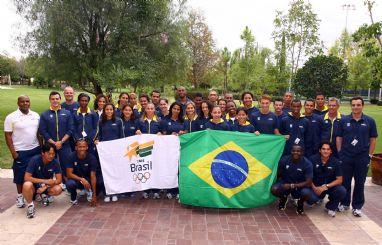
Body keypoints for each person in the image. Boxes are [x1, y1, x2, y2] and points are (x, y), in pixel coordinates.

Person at [336, 96, 378, 217]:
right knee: (345, 182)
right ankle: (344, 203)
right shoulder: (344, 120)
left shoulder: (370, 121)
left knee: (360, 182)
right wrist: (340, 153)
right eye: (353, 105)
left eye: (358, 105)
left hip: (362, 157)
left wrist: (369, 155)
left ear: (362, 106)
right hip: (346, 156)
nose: (355, 107)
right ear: (351, 106)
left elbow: (373, 139)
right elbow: (339, 137)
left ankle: (357, 206)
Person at [4, 95, 41, 208]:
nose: (25, 103)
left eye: (27, 101)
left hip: (35, 149)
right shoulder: (11, 117)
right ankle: (20, 196)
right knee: (20, 175)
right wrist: (14, 153)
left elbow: (38, 133)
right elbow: (8, 136)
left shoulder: (35, 115)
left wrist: (41, 147)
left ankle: (37, 193)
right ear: (18, 103)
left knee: (36, 173)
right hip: (21, 151)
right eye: (22, 102)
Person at [39, 91, 73, 186]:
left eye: (57, 99)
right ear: (50, 100)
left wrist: (61, 142)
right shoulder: (44, 114)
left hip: (64, 144)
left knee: (66, 165)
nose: (55, 101)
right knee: (49, 165)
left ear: (60, 99)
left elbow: (70, 129)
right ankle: (47, 186)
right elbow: (43, 131)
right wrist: (53, 143)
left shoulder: (67, 113)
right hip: (50, 145)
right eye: (53, 99)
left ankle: (66, 184)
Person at [22, 143, 63, 218]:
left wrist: (46, 186)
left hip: (45, 186)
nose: (51, 156)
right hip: (34, 186)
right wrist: (45, 181)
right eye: (49, 153)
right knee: (27, 185)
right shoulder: (34, 160)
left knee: (58, 189)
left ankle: (44, 195)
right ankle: (30, 205)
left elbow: (59, 180)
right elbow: (27, 177)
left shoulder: (55, 162)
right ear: (43, 153)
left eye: (53, 154)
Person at [271, 145, 313, 215]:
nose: (295, 153)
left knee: (307, 193)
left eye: (298, 151)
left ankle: (300, 203)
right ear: (291, 151)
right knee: (274, 189)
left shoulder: (307, 164)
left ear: (302, 152)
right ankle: (283, 198)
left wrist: (292, 185)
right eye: (293, 151)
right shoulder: (284, 160)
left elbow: (309, 182)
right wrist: (280, 185)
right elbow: (278, 175)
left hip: (300, 186)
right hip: (286, 184)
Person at [308, 142, 346, 217]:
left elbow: (339, 180)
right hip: (316, 187)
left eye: (328, 149)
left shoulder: (335, 161)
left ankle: (330, 207)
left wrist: (326, 186)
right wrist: (314, 188)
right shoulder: (312, 159)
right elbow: (308, 177)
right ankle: (316, 199)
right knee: (309, 197)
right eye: (323, 149)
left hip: (329, 187)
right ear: (320, 150)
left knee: (341, 190)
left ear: (331, 151)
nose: (326, 151)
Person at [95, 103, 123, 202]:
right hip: (105, 152)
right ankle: (107, 193)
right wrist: (97, 141)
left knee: (114, 172)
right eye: (107, 109)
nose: (109, 111)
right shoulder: (101, 121)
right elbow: (100, 136)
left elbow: (121, 137)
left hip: (115, 151)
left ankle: (115, 192)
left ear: (114, 110)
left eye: (111, 109)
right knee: (106, 172)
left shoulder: (119, 121)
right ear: (104, 110)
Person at [136, 103, 162, 199]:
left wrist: (161, 133)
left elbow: (163, 132)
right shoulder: (140, 121)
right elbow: (136, 131)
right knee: (145, 168)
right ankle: (145, 190)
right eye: (148, 108)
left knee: (155, 168)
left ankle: (156, 190)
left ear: (154, 109)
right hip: (144, 149)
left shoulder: (159, 121)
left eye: (152, 108)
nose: (150, 110)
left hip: (156, 149)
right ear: (145, 109)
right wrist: (137, 132)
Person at [160, 102, 185, 199]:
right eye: (174, 108)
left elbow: (186, 133)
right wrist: (170, 136)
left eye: (178, 109)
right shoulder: (165, 120)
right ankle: (170, 190)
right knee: (170, 169)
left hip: (180, 149)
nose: (176, 110)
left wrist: (183, 133)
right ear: (171, 109)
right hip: (168, 150)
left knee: (178, 169)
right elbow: (162, 134)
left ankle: (178, 190)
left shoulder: (182, 121)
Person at [66, 140, 98, 206]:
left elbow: (93, 176)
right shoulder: (71, 156)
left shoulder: (92, 158)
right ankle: (73, 197)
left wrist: (95, 195)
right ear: (76, 148)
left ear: (87, 147)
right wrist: (81, 179)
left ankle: (89, 191)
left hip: (87, 179)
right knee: (70, 184)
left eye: (84, 147)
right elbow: (69, 174)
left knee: (97, 182)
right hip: (76, 179)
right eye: (80, 147)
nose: (82, 149)